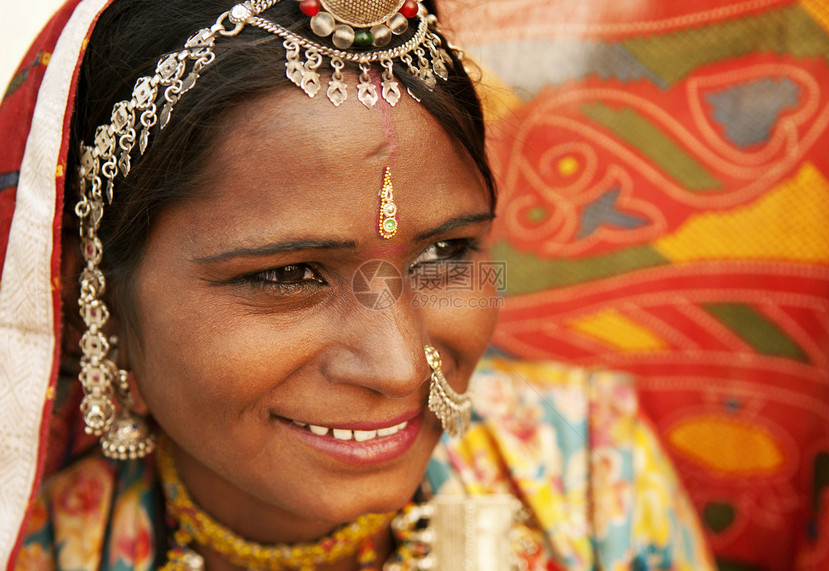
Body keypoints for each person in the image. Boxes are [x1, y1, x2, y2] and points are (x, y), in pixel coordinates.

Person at [0, 0, 715, 569]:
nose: (400, 367)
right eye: (287, 275)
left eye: (445, 252)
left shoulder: (590, 475)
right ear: (91, 290)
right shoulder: (35, 544)